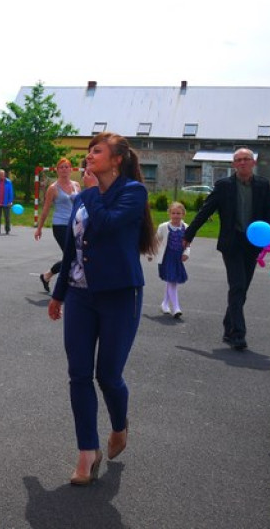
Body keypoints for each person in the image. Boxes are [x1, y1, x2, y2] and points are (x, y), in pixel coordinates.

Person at [47, 132, 156, 486]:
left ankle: (120, 425)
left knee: (107, 376)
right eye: (89, 150)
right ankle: (86, 451)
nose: (89, 156)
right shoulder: (87, 195)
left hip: (119, 296)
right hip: (80, 296)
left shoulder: (132, 192)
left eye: (97, 150)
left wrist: (90, 192)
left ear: (117, 159)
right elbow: (71, 250)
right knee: (78, 374)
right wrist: (59, 293)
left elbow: (108, 224)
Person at [183, 147, 270, 351]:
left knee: (242, 288)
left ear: (253, 163)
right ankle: (237, 334)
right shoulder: (224, 185)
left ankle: (228, 325)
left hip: (253, 245)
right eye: (238, 160)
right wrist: (188, 235)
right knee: (237, 286)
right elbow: (205, 210)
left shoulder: (263, 185)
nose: (242, 162)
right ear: (234, 164)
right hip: (232, 244)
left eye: (246, 159)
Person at [34, 158, 82, 292]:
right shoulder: (53, 188)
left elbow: (81, 205)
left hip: (76, 224)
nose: (64, 170)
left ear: (71, 169)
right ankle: (67, 287)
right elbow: (45, 209)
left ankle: (47, 276)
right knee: (71, 257)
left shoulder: (77, 185)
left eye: (67, 167)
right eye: (61, 167)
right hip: (60, 225)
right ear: (57, 170)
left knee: (76, 256)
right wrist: (39, 228)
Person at [148, 202, 190, 318]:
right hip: (166, 258)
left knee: (172, 281)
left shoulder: (186, 227)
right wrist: (149, 254)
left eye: (178, 213)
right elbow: (155, 241)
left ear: (183, 214)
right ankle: (176, 308)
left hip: (178, 258)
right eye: (173, 213)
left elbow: (188, 244)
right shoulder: (163, 227)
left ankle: (165, 304)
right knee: (172, 281)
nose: (176, 216)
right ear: (169, 214)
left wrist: (186, 253)